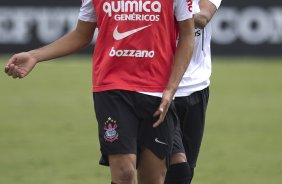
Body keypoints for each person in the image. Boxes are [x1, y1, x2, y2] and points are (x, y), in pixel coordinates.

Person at [4, 0, 195, 183]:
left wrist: (171, 89)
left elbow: (187, 36)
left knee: (153, 179)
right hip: (112, 90)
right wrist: (34, 56)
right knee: (124, 174)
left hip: (157, 93)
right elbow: (81, 34)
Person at [165, 0, 222, 183]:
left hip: (196, 88)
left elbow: (203, 17)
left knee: (186, 171)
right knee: (176, 166)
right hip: (158, 88)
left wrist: (159, 11)